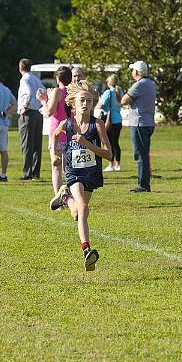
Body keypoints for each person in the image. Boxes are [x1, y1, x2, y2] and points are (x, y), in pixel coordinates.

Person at [48, 80, 113, 271]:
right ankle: (86, 250)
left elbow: (109, 154)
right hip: (73, 171)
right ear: (73, 103)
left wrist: (88, 144)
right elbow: (54, 135)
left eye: (89, 101)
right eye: (82, 101)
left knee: (77, 213)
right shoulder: (67, 123)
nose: (86, 104)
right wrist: (54, 155)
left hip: (91, 173)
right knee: (84, 208)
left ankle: (65, 198)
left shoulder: (98, 125)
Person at [121, 61, 156, 193]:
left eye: (133, 70)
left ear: (137, 72)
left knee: (140, 154)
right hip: (148, 122)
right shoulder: (150, 83)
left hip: (139, 123)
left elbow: (124, 100)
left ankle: (143, 184)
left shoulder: (139, 85)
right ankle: (144, 183)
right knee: (144, 153)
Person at [38, 65, 72, 195]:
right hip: (70, 128)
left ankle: (59, 197)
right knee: (68, 166)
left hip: (58, 129)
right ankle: (72, 194)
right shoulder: (73, 91)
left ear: (58, 78)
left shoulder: (57, 91)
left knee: (56, 166)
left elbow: (49, 112)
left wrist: (43, 100)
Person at [17, 58, 45, 180]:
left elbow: (28, 93)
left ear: (20, 67)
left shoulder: (25, 79)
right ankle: (35, 172)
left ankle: (27, 172)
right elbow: (43, 91)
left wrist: (25, 106)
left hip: (28, 113)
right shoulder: (35, 78)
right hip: (38, 113)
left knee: (27, 143)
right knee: (36, 144)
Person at [96, 74, 124, 172]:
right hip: (118, 120)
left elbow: (101, 105)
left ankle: (110, 164)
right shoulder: (119, 91)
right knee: (116, 143)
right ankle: (118, 164)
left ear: (109, 82)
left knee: (109, 143)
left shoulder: (108, 92)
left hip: (109, 120)